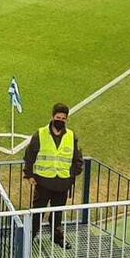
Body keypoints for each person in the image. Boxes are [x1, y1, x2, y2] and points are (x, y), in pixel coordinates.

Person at [22, 103, 81, 249]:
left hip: (62, 183)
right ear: (52, 117)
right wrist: (28, 175)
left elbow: (78, 159)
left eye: (63, 118)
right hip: (43, 182)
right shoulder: (40, 134)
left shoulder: (71, 136)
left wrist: (71, 175)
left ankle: (57, 237)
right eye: (58, 117)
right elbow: (29, 155)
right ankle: (30, 237)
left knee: (57, 213)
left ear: (67, 120)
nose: (60, 120)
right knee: (37, 212)